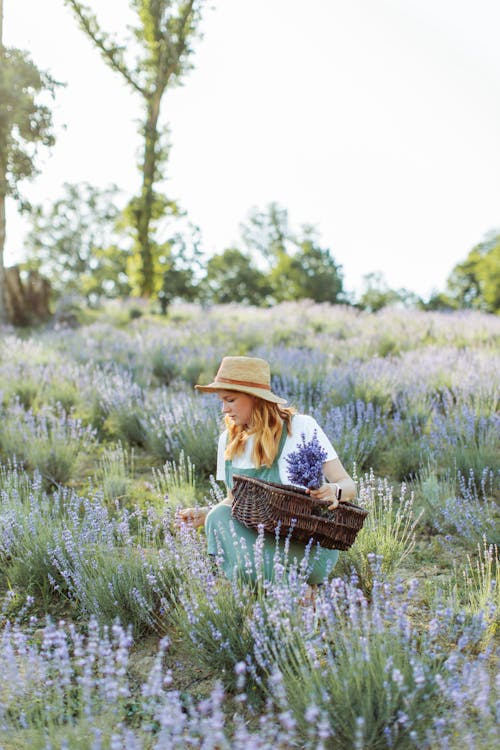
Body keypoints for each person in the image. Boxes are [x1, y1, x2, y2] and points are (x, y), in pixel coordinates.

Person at [178, 356, 357, 585]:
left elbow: (349, 485)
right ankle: (287, 589)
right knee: (217, 517)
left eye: (230, 400)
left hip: (308, 548)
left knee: (245, 565)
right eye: (221, 401)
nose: (224, 409)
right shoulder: (229, 440)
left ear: (255, 398)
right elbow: (234, 501)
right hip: (263, 543)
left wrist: (334, 490)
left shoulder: (301, 427)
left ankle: (273, 588)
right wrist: (205, 514)